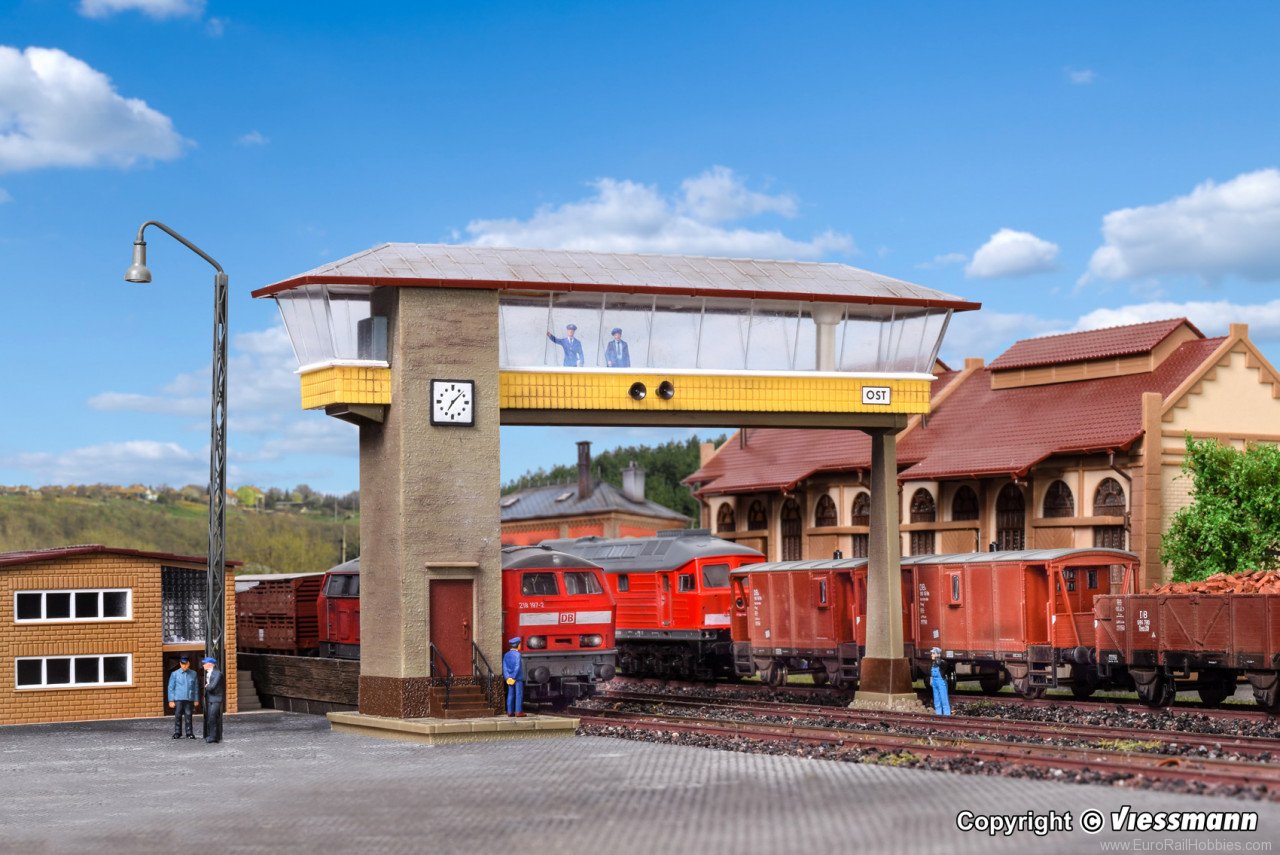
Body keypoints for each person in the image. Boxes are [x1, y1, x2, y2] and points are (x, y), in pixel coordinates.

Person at [167, 656, 199, 739]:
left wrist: (196, 699)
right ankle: (177, 732)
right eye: (182, 664)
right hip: (178, 698)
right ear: (180, 664)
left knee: (189, 715)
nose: (184, 666)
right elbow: (171, 687)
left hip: (189, 698)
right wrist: (171, 700)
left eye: (186, 664)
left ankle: (189, 732)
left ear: (189, 664)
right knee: (178, 715)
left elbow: (196, 687)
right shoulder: (175, 674)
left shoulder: (193, 673)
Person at [201, 656, 225, 743]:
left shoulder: (217, 673)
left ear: (210, 664)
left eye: (204, 663)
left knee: (212, 717)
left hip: (216, 698)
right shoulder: (208, 673)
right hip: (210, 698)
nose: (203, 665)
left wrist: (207, 686)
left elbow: (212, 687)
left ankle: (213, 737)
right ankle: (213, 735)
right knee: (211, 717)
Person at [502, 637, 526, 717]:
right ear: (517, 645)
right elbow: (517, 667)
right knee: (519, 694)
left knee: (510, 694)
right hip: (517, 678)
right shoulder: (518, 655)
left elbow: (504, 667)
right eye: (519, 644)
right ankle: (518, 711)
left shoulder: (506, 655)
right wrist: (513, 676)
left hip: (509, 678)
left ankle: (509, 712)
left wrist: (508, 677)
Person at [929, 647, 952, 716]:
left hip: (941, 682)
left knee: (944, 698)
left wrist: (938, 659)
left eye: (933, 653)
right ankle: (938, 713)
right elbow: (931, 673)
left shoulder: (942, 662)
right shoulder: (933, 663)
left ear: (938, 654)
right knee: (936, 699)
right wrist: (931, 680)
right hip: (935, 682)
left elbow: (943, 665)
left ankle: (946, 714)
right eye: (932, 653)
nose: (931, 655)